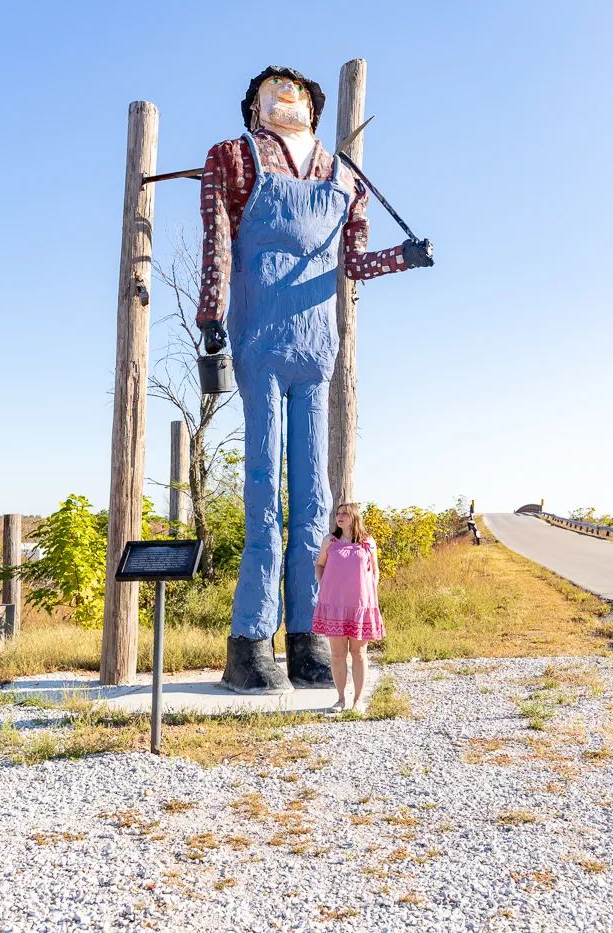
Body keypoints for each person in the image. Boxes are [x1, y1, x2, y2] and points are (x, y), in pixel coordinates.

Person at [198, 65, 433, 694]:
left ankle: (307, 640)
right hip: (259, 338)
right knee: (263, 493)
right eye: (271, 88)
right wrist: (212, 316)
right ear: (252, 107)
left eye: (295, 89)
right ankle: (250, 641)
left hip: (315, 344)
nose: (284, 94)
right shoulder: (234, 158)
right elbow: (217, 244)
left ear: (314, 105)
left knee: (314, 502)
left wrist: (402, 259)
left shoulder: (344, 176)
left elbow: (352, 262)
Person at [312, 503, 383, 712]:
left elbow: (375, 570)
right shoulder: (330, 541)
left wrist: (370, 591)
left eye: (344, 514)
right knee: (337, 654)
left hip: (360, 606)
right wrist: (323, 584)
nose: (340, 517)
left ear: (354, 517)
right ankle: (341, 699)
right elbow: (320, 564)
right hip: (334, 605)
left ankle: (358, 701)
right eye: (338, 514)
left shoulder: (368, 542)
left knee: (359, 653)